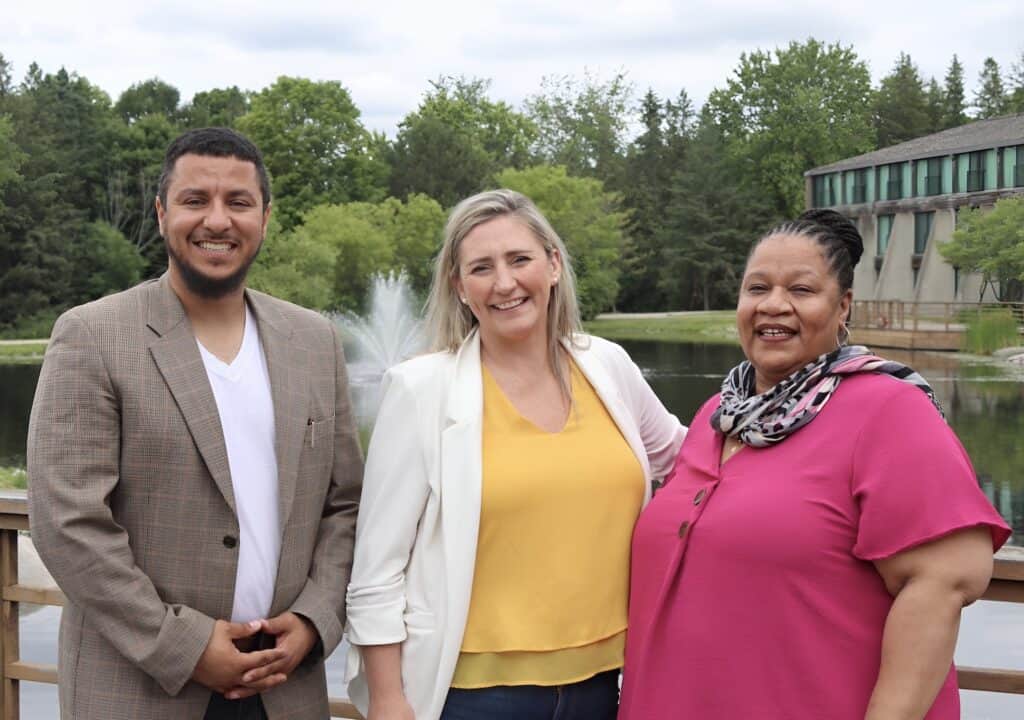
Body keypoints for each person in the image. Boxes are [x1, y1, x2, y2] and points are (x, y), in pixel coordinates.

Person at [618, 209, 1012, 720]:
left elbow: (947, 578)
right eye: (757, 288)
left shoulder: (888, 411)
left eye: (801, 291)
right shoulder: (716, 416)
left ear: (843, 305)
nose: (773, 305)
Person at [27, 127, 362, 720]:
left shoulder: (313, 341)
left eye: (238, 202)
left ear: (264, 216)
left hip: (283, 688)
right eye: (194, 201)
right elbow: (67, 522)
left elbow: (344, 507)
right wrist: (182, 645)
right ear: (161, 214)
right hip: (140, 689)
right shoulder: (93, 335)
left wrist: (314, 620)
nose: (218, 220)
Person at [343, 189, 686, 720]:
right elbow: (376, 570)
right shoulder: (421, 390)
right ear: (459, 287)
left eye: (519, 259)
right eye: (481, 267)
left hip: (608, 688)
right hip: (476, 697)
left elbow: (690, 463)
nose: (504, 283)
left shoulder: (608, 365)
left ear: (552, 265)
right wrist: (388, 700)